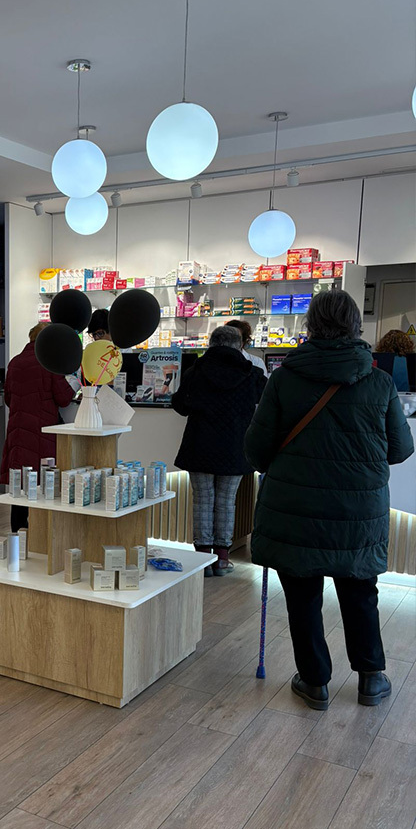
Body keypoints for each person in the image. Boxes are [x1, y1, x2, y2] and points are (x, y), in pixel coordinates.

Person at [245, 290, 413, 710]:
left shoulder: (284, 377)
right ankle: (371, 678)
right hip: (358, 511)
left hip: (294, 510)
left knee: (302, 598)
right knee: (360, 593)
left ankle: (316, 682)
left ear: (310, 326)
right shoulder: (379, 381)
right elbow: (400, 448)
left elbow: (256, 450)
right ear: (356, 326)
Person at [171, 325, 267, 576]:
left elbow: (180, 406)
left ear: (211, 344)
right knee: (226, 502)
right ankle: (222, 559)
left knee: (203, 500)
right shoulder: (252, 373)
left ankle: (203, 561)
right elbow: (267, 406)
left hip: (200, 445)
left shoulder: (195, 371)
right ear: (239, 346)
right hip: (235, 447)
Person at [0, 321, 75, 531]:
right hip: (42, 433)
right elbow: (64, 398)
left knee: (19, 486)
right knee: (44, 486)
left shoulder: (14, 362)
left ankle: (18, 535)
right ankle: (41, 537)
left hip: (17, 432)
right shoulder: (50, 362)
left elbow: (8, 398)